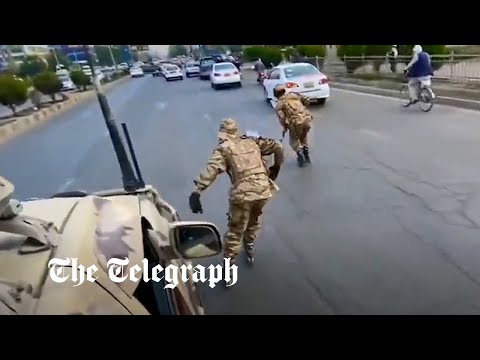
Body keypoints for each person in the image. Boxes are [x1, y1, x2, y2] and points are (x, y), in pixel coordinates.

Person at [188, 118, 284, 286]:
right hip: (263, 190)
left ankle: (228, 267)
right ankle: (250, 246)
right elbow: (278, 146)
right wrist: (276, 167)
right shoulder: (252, 142)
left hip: (242, 195)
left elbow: (211, 170)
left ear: (222, 134)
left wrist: (197, 192)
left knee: (235, 230)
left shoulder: (223, 149)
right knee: (254, 219)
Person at [273, 84, 313, 167]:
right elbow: (307, 100)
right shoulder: (294, 95)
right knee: (303, 137)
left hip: (296, 122)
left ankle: (300, 153)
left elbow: (282, 117)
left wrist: (285, 127)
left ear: (276, 94)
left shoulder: (279, 104)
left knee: (294, 140)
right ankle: (306, 155)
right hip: (307, 119)